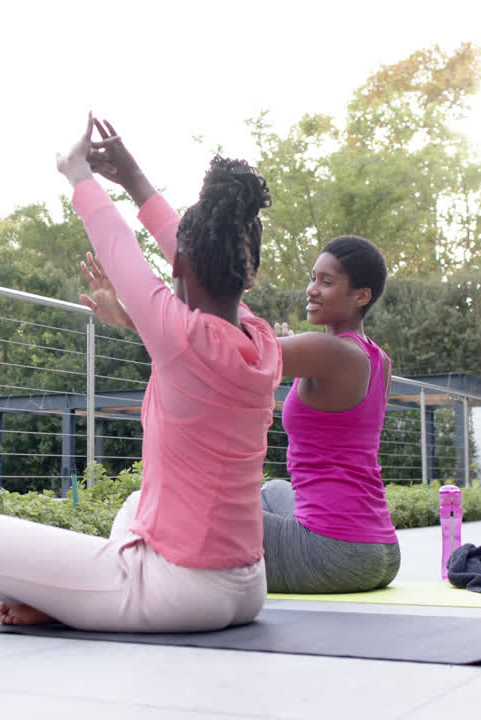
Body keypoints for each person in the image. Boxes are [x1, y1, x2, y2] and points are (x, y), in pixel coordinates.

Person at [0, 114, 282, 632]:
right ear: (246, 271)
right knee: (134, 503)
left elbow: (117, 246)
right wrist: (134, 179)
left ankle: (72, 600)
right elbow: (187, 254)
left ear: (179, 267)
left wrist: (77, 172)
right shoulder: (260, 343)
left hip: (181, 592)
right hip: (246, 584)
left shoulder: (179, 334)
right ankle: (76, 597)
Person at [81, 120, 399, 595]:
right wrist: (135, 181)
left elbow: (219, 353)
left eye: (327, 282)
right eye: (313, 277)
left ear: (362, 296)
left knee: (161, 508)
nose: (312, 289)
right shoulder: (376, 358)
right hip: (379, 547)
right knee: (272, 492)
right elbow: (218, 337)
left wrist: (132, 317)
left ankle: (114, 585)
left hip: (336, 553)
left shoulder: (330, 350)